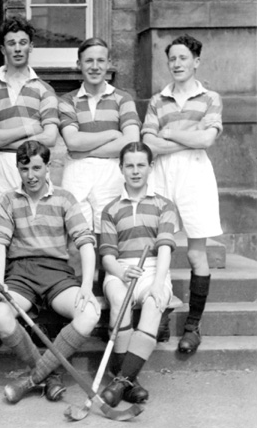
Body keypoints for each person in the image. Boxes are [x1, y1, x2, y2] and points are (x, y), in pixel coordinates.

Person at [0, 141, 100, 403]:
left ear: (48, 167)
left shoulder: (64, 198)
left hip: (57, 274)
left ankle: (33, 379)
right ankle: (50, 376)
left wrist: (86, 286)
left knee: (89, 313)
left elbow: (85, 242)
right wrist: (1, 283)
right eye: (25, 168)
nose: (31, 175)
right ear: (17, 168)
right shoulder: (8, 199)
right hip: (21, 274)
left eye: (37, 168)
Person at [141, 34, 223, 353]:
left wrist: (172, 133)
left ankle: (192, 326)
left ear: (196, 62)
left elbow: (206, 141)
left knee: (194, 253)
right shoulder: (158, 100)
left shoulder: (210, 97)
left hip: (196, 173)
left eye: (183, 58)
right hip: (161, 173)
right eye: (172, 59)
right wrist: (190, 136)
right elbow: (149, 143)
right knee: (158, 247)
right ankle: (157, 316)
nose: (177, 64)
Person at [99, 142, 178, 407]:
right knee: (120, 300)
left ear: (150, 167)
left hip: (153, 268)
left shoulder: (164, 205)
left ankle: (120, 380)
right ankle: (128, 380)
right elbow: (108, 257)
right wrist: (121, 272)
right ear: (121, 168)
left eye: (141, 165)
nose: (135, 171)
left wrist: (157, 284)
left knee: (155, 302)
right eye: (129, 165)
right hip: (120, 270)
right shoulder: (110, 209)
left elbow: (165, 249)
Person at [0, 16, 58, 230]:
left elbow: (50, 137)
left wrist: (2, 139)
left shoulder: (44, 90)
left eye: (23, 43)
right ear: (3, 48)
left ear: (31, 46)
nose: (17, 48)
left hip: (32, 166)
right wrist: (30, 128)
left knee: (33, 230)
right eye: (11, 43)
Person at [59, 37, 140, 234]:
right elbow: (72, 140)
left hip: (111, 173)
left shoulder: (123, 99)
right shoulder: (67, 100)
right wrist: (112, 133)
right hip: (77, 174)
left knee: (109, 238)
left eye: (100, 61)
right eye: (89, 61)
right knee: (78, 238)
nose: (95, 67)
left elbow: (131, 140)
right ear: (79, 64)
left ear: (109, 63)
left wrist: (85, 152)